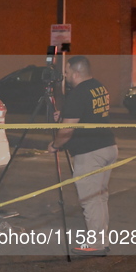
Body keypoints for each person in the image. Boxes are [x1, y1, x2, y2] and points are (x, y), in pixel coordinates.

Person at [48, 56, 118, 256]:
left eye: (67, 72)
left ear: (76, 73)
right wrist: (63, 115)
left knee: (90, 199)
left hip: (90, 153)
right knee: (100, 197)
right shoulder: (99, 87)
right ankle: (101, 240)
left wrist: (55, 145)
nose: (66, 76)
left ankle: (96, 244)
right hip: (108, 147)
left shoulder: (78, 93)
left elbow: (67, 131)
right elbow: (89, 113)